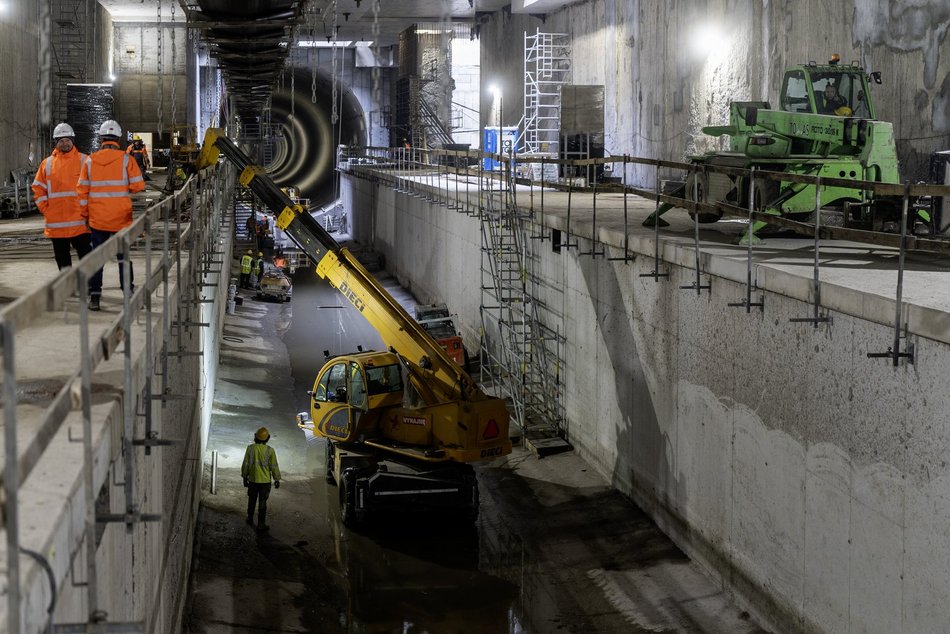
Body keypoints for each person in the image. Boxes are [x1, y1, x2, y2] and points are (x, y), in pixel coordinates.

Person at [77, 120, 145, 311]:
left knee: (97, 258)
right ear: (118, 139)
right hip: (121, 219)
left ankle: (95, 297)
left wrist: (85, 215)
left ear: (101, 139)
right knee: (124, 258)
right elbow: (138, 186)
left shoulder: (89, 161)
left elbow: (81, 191)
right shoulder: (126, 160)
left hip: (97, 219)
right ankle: (128, 293)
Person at [31, 123, 92, 271]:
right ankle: (68, 283)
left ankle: (88, 282)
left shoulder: (85, 161)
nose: (65, 143)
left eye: (67, 140)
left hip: (80, 222)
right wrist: (46, 209)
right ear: (56, 142)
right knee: (62, 258)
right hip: (57, 223)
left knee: (87, 257)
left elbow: (95, 188)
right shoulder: (47, 164)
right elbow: (38, 188)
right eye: (61, 141)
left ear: (73, 141)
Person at [242, 426, 281, 530]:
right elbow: (274, 466)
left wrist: (244, 477)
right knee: (262, 503)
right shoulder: (270, 451)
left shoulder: (250, 448)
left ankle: (250, 518)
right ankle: (260, 525)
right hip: (265, 482)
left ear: (255, 436)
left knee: (251, 500)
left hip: (253, 480)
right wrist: (277, 479)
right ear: (267, 438)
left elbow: (246, 464)